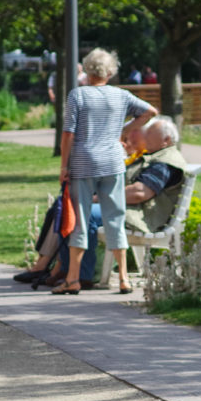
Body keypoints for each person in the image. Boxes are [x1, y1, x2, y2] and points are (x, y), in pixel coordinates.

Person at [16, 115, 187, 293]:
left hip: (140, 215)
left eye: (149, 133)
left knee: (84, 214)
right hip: (129, 209)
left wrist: (98, 198)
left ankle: (81, 275)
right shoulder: (156, 156)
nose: (144, 136)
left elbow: (140, 193)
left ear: (166, 140)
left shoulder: (165, 162)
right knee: (70, 205)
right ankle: (65, 270)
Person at [54, 48, 158, 295]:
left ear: (87, 70)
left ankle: (73, 279)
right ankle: (123, 278)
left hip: (83, 162)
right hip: (112, 162)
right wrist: (123, 130)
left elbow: (68, 133)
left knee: (80, 219)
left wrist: (63, 166)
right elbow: (150, 111)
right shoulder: (121, 96)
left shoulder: (78, 95)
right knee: (115, 217)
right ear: (110, 72)